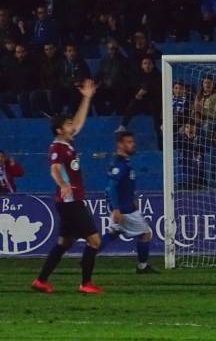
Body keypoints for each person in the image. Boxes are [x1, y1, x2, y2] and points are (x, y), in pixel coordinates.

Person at [32, 79, 103, 294]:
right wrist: (63, 184)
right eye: (69, 124)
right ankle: (86, 283)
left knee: (64, 242)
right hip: (70, 201)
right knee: (94, 241)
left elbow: (80, 122)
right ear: (59, 129)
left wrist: (87, 97)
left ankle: (41, 280)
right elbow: (54, 169)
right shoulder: (57, 148)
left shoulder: (67, 144)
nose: (73, 126)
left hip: (69, 201)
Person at [100, 131, 159, 274]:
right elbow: (111, 186)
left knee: (113, 233)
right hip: (125, 210)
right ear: (120, 144)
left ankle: (87, 257)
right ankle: (142, 267)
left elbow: (123, 185)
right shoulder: (120, 164)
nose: (133, 145)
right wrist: (115, 209)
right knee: (145, 234)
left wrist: (133, 198)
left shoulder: (124, 162)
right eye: (129, 142)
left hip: (124, 206)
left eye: (133, 142)